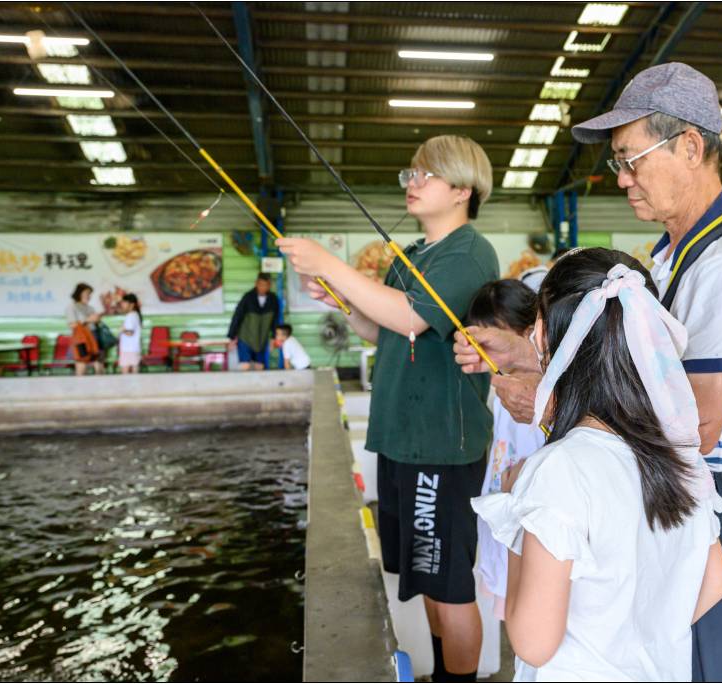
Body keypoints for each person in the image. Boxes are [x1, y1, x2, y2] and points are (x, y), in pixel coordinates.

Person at [455, 63, 722, 682]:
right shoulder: (666, 258)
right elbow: (628, 372)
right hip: (660, 496)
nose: (624, 180)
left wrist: (554, 407)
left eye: (632, 159)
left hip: (705, 504)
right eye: (618, 163)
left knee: (701, 664)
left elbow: (699, 424)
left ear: (691, 146)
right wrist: (525, 359)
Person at [277, 134, 499, 681]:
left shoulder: (469, 252)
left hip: (442, 445)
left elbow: (412, 318)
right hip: (402, 439)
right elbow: (388, 331)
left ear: (463, 190)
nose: (413, 184)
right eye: (410, 174)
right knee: (422, 577)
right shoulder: (414, 255)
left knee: (449, 586)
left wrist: (331, 261)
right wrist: (346, 302)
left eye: (425, 175)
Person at [472, 249, 722, 681]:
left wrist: (518, 507)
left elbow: (533, 643)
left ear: (540, 335)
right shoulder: (677, 456)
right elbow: (716, 581)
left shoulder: (557, 470)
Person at [464, 280, 546, 622]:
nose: (485, 347)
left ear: (529, 332)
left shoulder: (545, 390)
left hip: (529, 518)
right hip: (501, 509)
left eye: (494, 334)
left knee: (533, 607)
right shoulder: (497, 385)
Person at [227, 273, 280, 370]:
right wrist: (232, 337)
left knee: (259, 365)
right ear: (256, 283)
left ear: (269, 285)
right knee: (245, 365)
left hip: (261, 339)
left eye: (266, 285)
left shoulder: (273, 299)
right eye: (261, 284)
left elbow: (275, 320)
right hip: (245, 337)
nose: (263, 287)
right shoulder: (248, 297)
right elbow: (237, 316)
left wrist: (273, 338)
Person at [65, 282, 104, 376]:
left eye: (90, 294)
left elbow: (94, 322)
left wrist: (97, 319)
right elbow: (72, 325)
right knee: (81, 363)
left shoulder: (90, 308)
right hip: (81, 339)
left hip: (94, 336)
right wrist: (87, 320)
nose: (89, 296)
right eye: (87, 293)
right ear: (79, 293)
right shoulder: (72, 307)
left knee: (99, 363)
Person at [117, 293, 143, 374]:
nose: (122, 305)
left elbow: (130, 332)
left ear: (132, 304)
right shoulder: (135, 315)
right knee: (135, 374)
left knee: (125, 376)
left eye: (124, 303)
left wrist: (122, 330)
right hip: (134, 349)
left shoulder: (130, 316)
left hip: (128, 350)